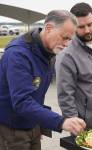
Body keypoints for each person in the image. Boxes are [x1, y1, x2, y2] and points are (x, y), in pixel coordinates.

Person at [0, 10, 86, 150]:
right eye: (64, 37)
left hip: (32, 124)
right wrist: (61, 122)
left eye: (70, 39)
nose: (66, 44)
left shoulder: (47, 52)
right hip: (12, 130)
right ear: (48, 28)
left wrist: (40, 123)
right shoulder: (18, 55)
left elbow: (36, 93)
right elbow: (22, 101)